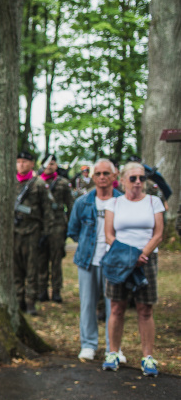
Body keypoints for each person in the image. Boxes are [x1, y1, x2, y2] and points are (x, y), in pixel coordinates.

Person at [102, 162, 164, 376]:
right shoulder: (114, 203)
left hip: (146, 261)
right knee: (117, 307)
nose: (138, 182)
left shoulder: (153, 202)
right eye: (133, 178)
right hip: (120, 260)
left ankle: (147, 357)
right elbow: (109, 234)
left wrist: (142, 254)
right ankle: (113, 353)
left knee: (145, 309)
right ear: (123, 180)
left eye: (142, 178)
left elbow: (158, 233)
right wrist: (129, 255)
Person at [67, 158, 121, 361]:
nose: (102, 177)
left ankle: (112, 347)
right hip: (87, 261)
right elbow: (73, 230)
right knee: (88, 304)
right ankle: (88, 344)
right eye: (98, 174)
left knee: (114, 306)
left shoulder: (121, 201)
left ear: (114, 176)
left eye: (106, 173)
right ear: (93, 176)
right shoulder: (83, 202)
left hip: (114, 262)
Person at [14, 150, 52, 315]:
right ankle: (18, 299)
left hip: (33, 232)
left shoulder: (38, 184)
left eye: (25, 162)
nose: (21, 164)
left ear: (31, 164)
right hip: (14, 232)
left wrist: (46, 234)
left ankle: (30, 302)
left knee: (31, 269)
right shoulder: (12, 183)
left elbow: (48, 210)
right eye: (19, 161)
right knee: (16, 270)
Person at [37, 154, 74, 302]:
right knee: (41, 260)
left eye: (52, 163)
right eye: (46, 163)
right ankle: (42, 290)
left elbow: (70, 205)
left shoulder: (63, 183)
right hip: (40, 226)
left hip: (57, 226)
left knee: (56, 260)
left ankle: (56, 291)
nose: (49, 166)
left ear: (56, 165)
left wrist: (69, 226)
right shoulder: (37, 183)